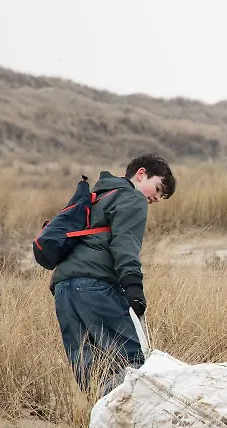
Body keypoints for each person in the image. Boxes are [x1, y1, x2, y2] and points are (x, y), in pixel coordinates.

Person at [51, 153, 176, 397]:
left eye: (161, 197)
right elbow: (125, 244)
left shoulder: (98, 195)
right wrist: (133, 287)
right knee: (135, 364)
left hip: (63, 290)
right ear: (141, 174)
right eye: (158, 188)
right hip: (94, 287)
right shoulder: (133, 198)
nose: (157, 198)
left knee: (90, 371)